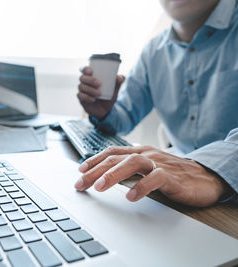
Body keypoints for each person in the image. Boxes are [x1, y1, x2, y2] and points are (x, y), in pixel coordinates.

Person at [75, 0, 238, 207]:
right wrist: (105, 113)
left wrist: (211, 168)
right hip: (182, 191)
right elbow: (123, 118)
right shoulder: (153, 51)